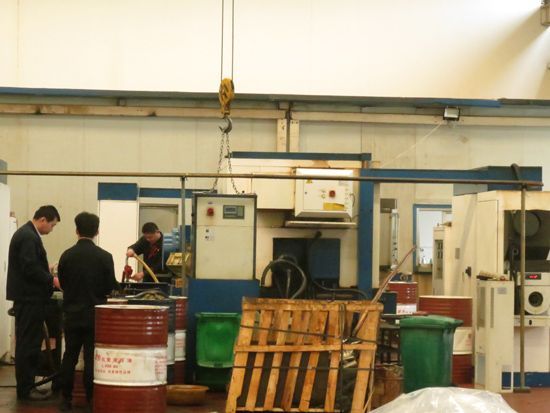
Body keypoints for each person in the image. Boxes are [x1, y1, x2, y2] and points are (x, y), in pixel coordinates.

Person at [57, 212, 118, 411]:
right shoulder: (105, 257)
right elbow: (110, 287)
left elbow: (63, 283)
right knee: (91, 358)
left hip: (72, 314)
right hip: (95, 315)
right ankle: (91, 399)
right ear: (97, 231)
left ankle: (65, 398)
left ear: (76, 230)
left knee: (70, 356)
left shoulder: (66, 255)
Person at [6, 205, 61, 402]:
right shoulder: (28, 236)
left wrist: (46, 269)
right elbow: (29, 268)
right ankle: (26, 389)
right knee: (28, 345)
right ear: (43, 220)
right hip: (29, 299)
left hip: (29, 299)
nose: (51, 229)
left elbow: (30, 265)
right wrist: (52, 280)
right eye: (52, 225)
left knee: (29, 343)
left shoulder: (27, 234)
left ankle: (27, 386)